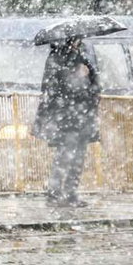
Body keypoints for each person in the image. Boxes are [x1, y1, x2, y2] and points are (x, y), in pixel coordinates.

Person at [33, 37, 100, 208]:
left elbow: (95, 85)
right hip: (67, 119)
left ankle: (69, 193)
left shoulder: (80, 57)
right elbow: (56, 89)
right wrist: (76, 75)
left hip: (82, 117)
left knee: (77, 157)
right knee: (65, 156)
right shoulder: (58, 58)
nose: (80, 42)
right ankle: (56, 193)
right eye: (78, 39)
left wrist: (88, 76)